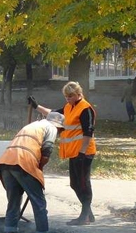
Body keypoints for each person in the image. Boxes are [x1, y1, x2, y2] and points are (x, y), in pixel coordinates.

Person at [0, 111, 66, 233]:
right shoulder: (50, 127)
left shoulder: (32, 125)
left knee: (13, 203)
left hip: (6, 162)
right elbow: (47, 150)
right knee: (39, 203)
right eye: (60, 130)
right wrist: (39, 168)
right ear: (57, 125)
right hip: (23, 162)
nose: (58, 133)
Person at [27, 81, 97, 225]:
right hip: (74, 153)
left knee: (83, 183)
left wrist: (82, 152)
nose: (68, 98)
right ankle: (88, 214)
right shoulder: (69, 107)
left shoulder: (85, 108)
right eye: (66, 96)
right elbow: (53, 114)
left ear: (78, 94)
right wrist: (36, 106)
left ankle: (84, 216)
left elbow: (88, 131)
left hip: (83, 152)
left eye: (70, 96)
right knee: (74, 184)